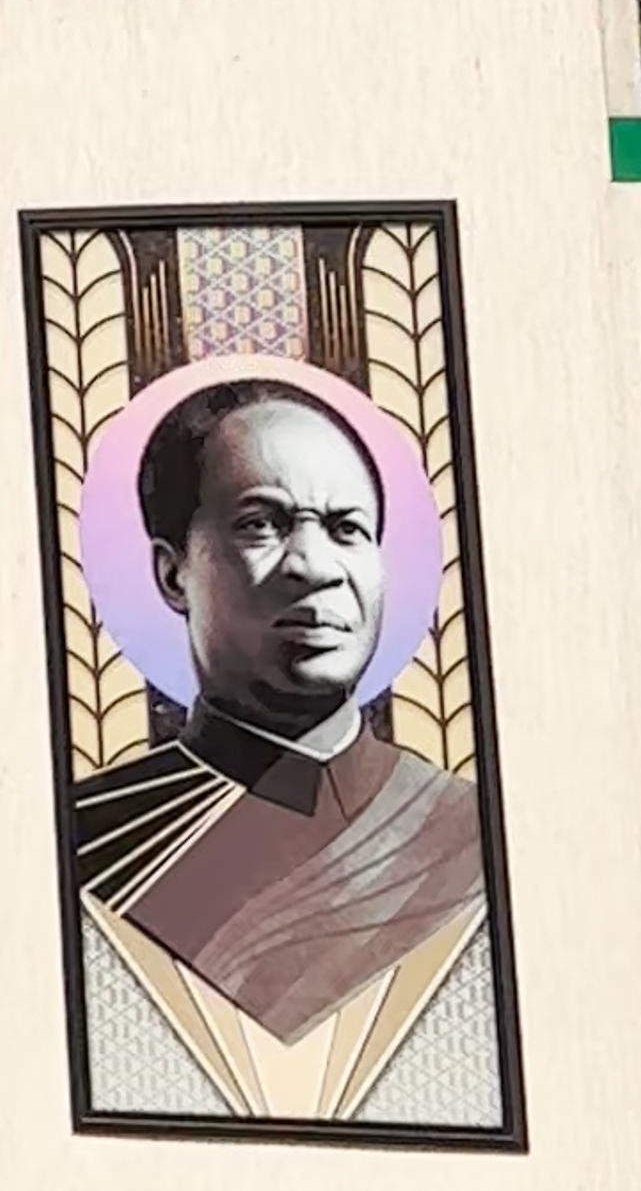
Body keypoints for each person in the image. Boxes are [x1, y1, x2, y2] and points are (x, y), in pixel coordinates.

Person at [70, 375, 485, 1041]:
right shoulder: (90, 838)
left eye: (348, 528)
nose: (315, 566)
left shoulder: (477, 837)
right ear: (172, 573)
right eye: (261, 523)